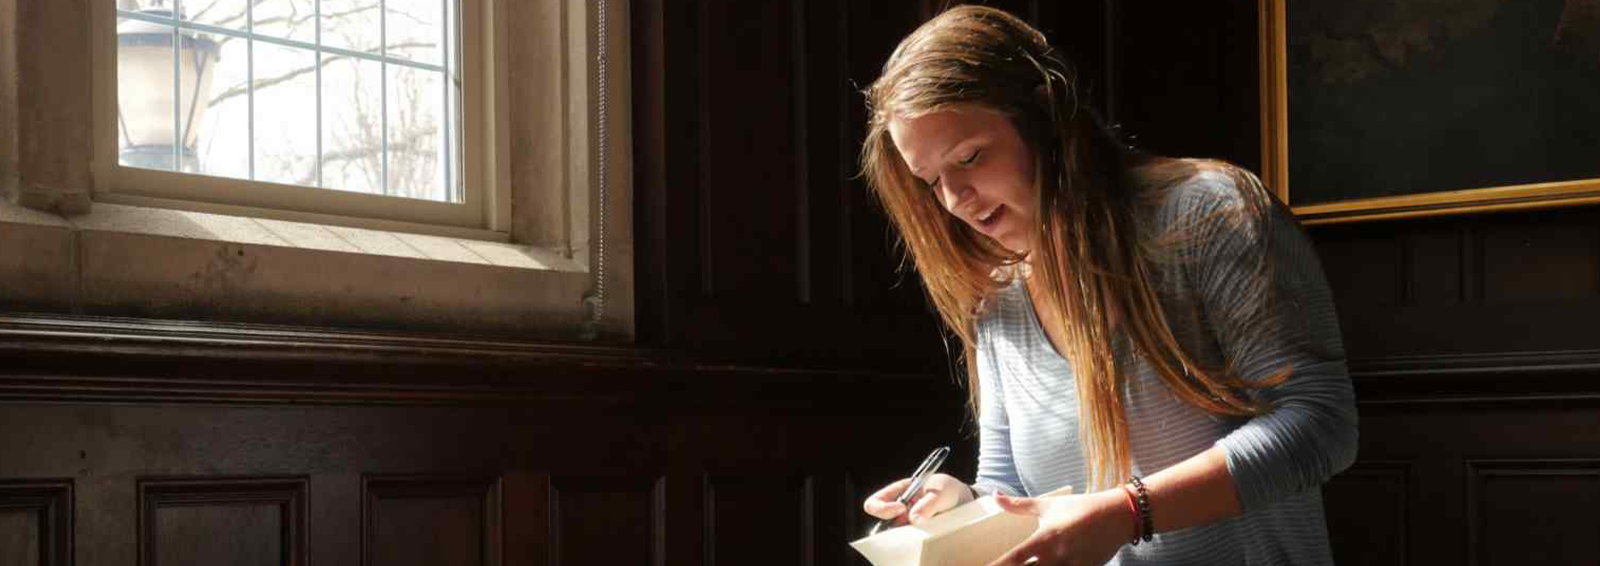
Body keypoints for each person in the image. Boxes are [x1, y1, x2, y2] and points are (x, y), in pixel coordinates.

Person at [857, 5, 1358, 566]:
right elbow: (1012, 487)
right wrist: (960, 503)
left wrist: (1129, 510)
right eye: (930, 181)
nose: (954, 198)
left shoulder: (1211, 213)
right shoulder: (998, 296)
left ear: (1044, 113)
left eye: (970, 157)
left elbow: (1319, 423)